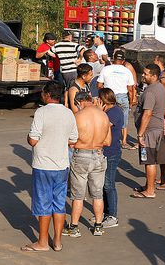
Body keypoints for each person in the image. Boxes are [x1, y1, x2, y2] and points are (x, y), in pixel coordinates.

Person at [22, 81, 78, 252]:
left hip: (43, 165)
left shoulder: (41, 112)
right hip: (62, 165)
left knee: (44, 204)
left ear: (47, 95)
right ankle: (58, 241)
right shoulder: (69, 113)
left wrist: (32, 138)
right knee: (59, 204)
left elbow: (33, 139)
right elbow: (73, 140)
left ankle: (43, 242)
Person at [62, 92, 111, 238]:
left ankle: (74, 227)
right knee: (97, 194)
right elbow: (108, 141)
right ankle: (98, 226)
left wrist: (82, 143)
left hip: (81, 155)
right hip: (98, 155)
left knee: (77, 195)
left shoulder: (78, 117)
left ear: (79, 102)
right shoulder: (104, 116)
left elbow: (70, 141)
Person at [131, 64, 165, 199]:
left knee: (149, 160)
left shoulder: (151, 91)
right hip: (156, 128)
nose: (143, 76)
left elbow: (147, 113)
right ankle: (148, 186)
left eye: (146, 74)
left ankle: (150, 191)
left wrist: (140, 134)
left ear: (154, 76)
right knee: (150, 160)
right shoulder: (159, 87)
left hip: (150, 130)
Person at [97, 49, 136, 149]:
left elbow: (99, 85)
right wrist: (131, 102)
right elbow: (130, 89)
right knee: (124, 119)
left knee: (106, 118)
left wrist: (104, 93)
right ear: (123, 61)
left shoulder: (106, 69)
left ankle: (103, 138)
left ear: (113, 59)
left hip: (109, 96)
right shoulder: (127, 70)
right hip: (122, 96)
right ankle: (124, 141)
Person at [97, 88, 123, 228]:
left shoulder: (114, 112)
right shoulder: (109, 111)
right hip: (106, 152)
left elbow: (104, 125)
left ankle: (112, 216)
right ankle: (105, 214)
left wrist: (99, 112)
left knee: (109, 185)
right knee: (102, 185)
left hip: (111, 153)